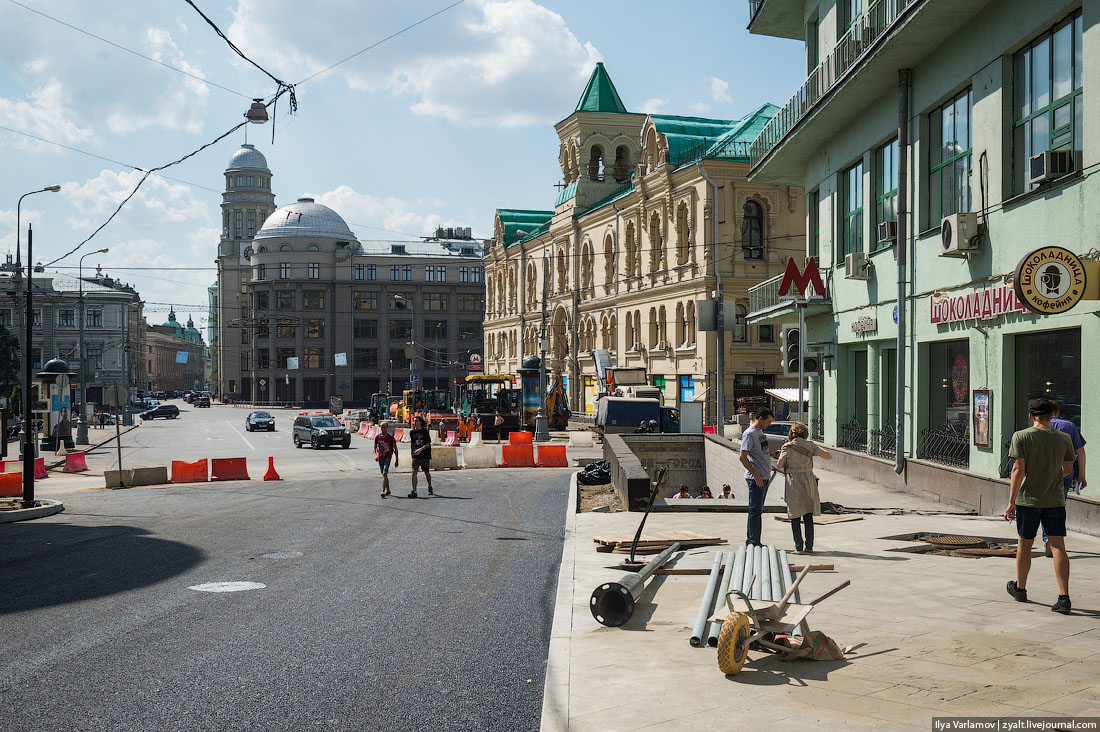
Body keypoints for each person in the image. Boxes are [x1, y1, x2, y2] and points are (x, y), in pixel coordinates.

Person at [1004, 398, 1076, 614]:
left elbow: (1018, 469)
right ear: (1052, 415)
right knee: (1057, 546)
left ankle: (1021, 589)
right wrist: (1050, 476)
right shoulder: (1064, 438)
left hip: (1028, 500)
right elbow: (1067, 469)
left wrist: (1011, 501)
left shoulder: (1022, 436)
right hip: (1054, 499)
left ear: (1031, 416)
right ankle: (1064, 597)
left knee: (1025, 545)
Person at [777, 422, 832, 554]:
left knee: (794, 514)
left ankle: (798, 547)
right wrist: (812, 450)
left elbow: (779, 465)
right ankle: (809, 547)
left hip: (793, 481)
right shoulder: (811, 445)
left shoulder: (787, 447)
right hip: (808, 479)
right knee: (808, 514)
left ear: (792, 433)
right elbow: (828, 456)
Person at [1045, 401, 1088, 553]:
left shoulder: (1037, 428)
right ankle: (1054, 537)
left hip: (1042, 474)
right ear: (1056, 412)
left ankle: (1047, 538)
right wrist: (1082, 475)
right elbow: (1080, 452)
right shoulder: (1068, 426)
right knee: (1058, 506)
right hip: (1065, 474)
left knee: (1044, 506)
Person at [739, 408, 774, 547]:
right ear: (760, 419)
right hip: (756, 478)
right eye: (768, 421)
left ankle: (754, 540)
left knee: (758, 510)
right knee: (755, 510)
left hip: (763, 476)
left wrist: (773, 454)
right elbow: (742, 456)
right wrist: (756, 475)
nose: (769, 424)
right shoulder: (749, 434)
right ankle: (753, 542)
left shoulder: (760, 433)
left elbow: (761, 452)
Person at [408, 416, 433, 498]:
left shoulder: (424, 432)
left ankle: (429, 486)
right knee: (414, 471)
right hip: (416, 456)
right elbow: (412, 444)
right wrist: (413, 453)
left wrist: (420, 450)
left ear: (420, 422)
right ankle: (414, 491)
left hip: (424, 455)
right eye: (414, 421)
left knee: (426, 472)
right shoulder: (412, 432)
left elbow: (428, 444)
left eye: (416, 421)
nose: (414, 422)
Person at [374, 421, 399, 498]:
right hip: (381, 457)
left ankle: (382, 490)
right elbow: (374, 447)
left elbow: (395, 448)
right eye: (382, 427)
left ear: (387, 428)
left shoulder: (390, 437)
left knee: (385, 473)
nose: (383, 429)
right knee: (384, 474)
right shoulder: (377, 437)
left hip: (388, 457)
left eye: (385, 427)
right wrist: (375, 455)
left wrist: (397, 459)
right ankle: (388, 489)